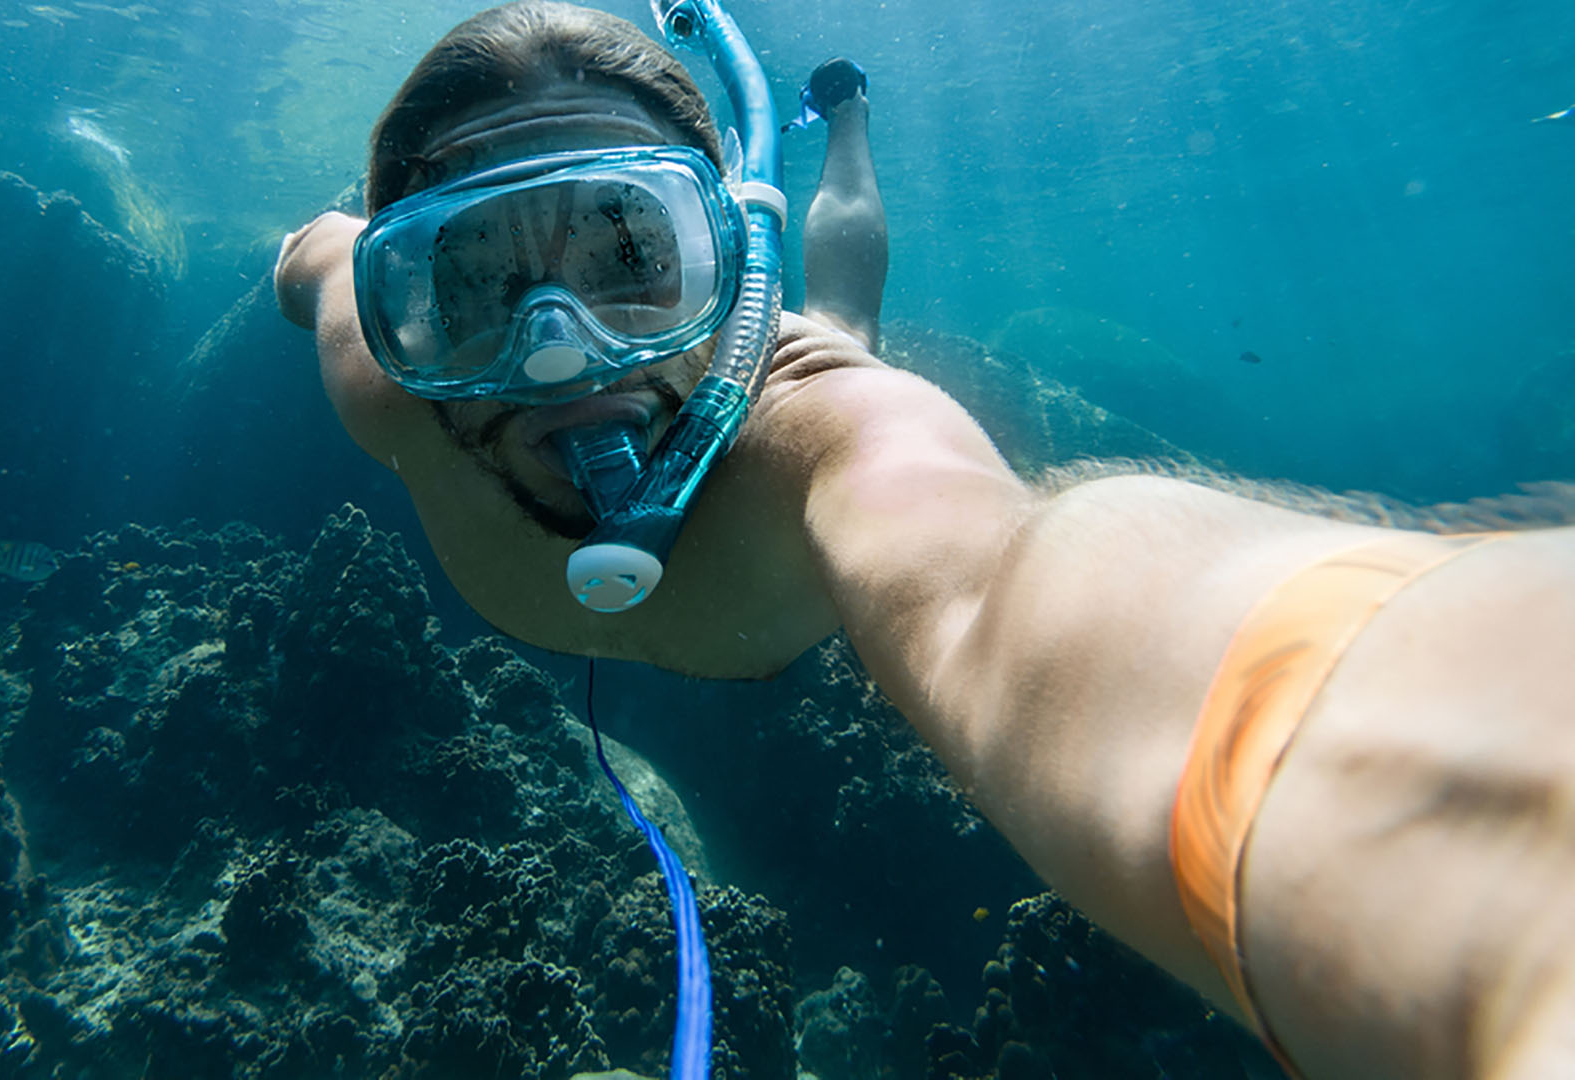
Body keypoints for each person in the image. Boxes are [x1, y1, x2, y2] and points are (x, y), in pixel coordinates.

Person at [273, 3, 1575, 1076]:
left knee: (848, 308)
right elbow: (315, 255)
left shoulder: (825, 434)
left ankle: (845, 123)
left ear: (726, 267)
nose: (564, 356)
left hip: (803, 332)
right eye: (471, 280)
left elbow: (1007, 585)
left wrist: (1458, 827)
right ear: (399, 309)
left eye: (631, 257)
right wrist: (322, 247)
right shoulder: (377, 373)